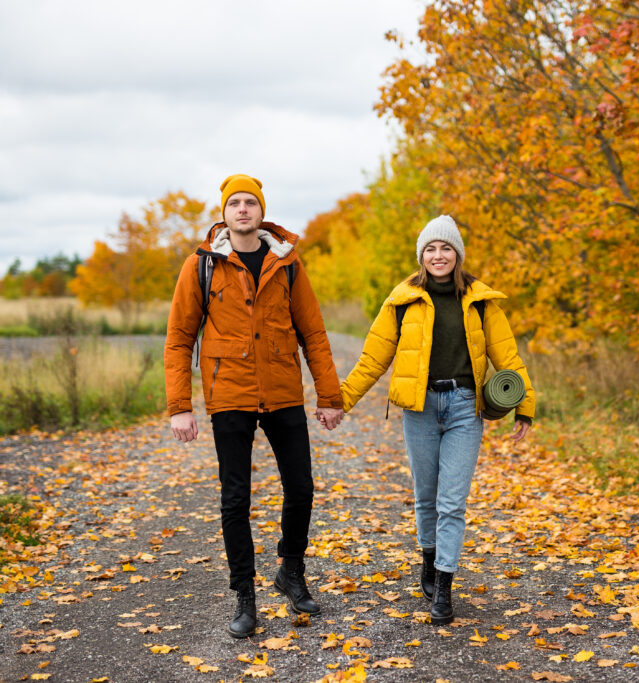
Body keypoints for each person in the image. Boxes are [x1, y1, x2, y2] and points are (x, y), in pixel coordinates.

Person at [164, 174, 345, 639]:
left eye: (251, 203)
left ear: (261, 212)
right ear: (224, 213)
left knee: (301, 487)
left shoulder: (287, 263)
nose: (243, 209)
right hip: (231, 397)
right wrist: (179, 406)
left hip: (283, 391)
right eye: (235, 203)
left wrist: (329, 396)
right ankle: (245, 595)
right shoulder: (201, 266)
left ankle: (291, 569)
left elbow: (314, 333)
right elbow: (180, 338)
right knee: (235, 499)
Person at [339, 214, 535, 625]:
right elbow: (374, 358)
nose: (438, 255)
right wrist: (341, 400)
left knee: (452, 501)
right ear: (421, 255)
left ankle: (444, 586)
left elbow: (508, 356)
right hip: (420, 408)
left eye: (446, 248)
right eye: (431, 248)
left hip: (465, 407)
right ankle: (428, 562)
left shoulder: (481, 301)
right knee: (427, 497)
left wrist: (526, 405)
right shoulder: (402, 301)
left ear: (458, 254)